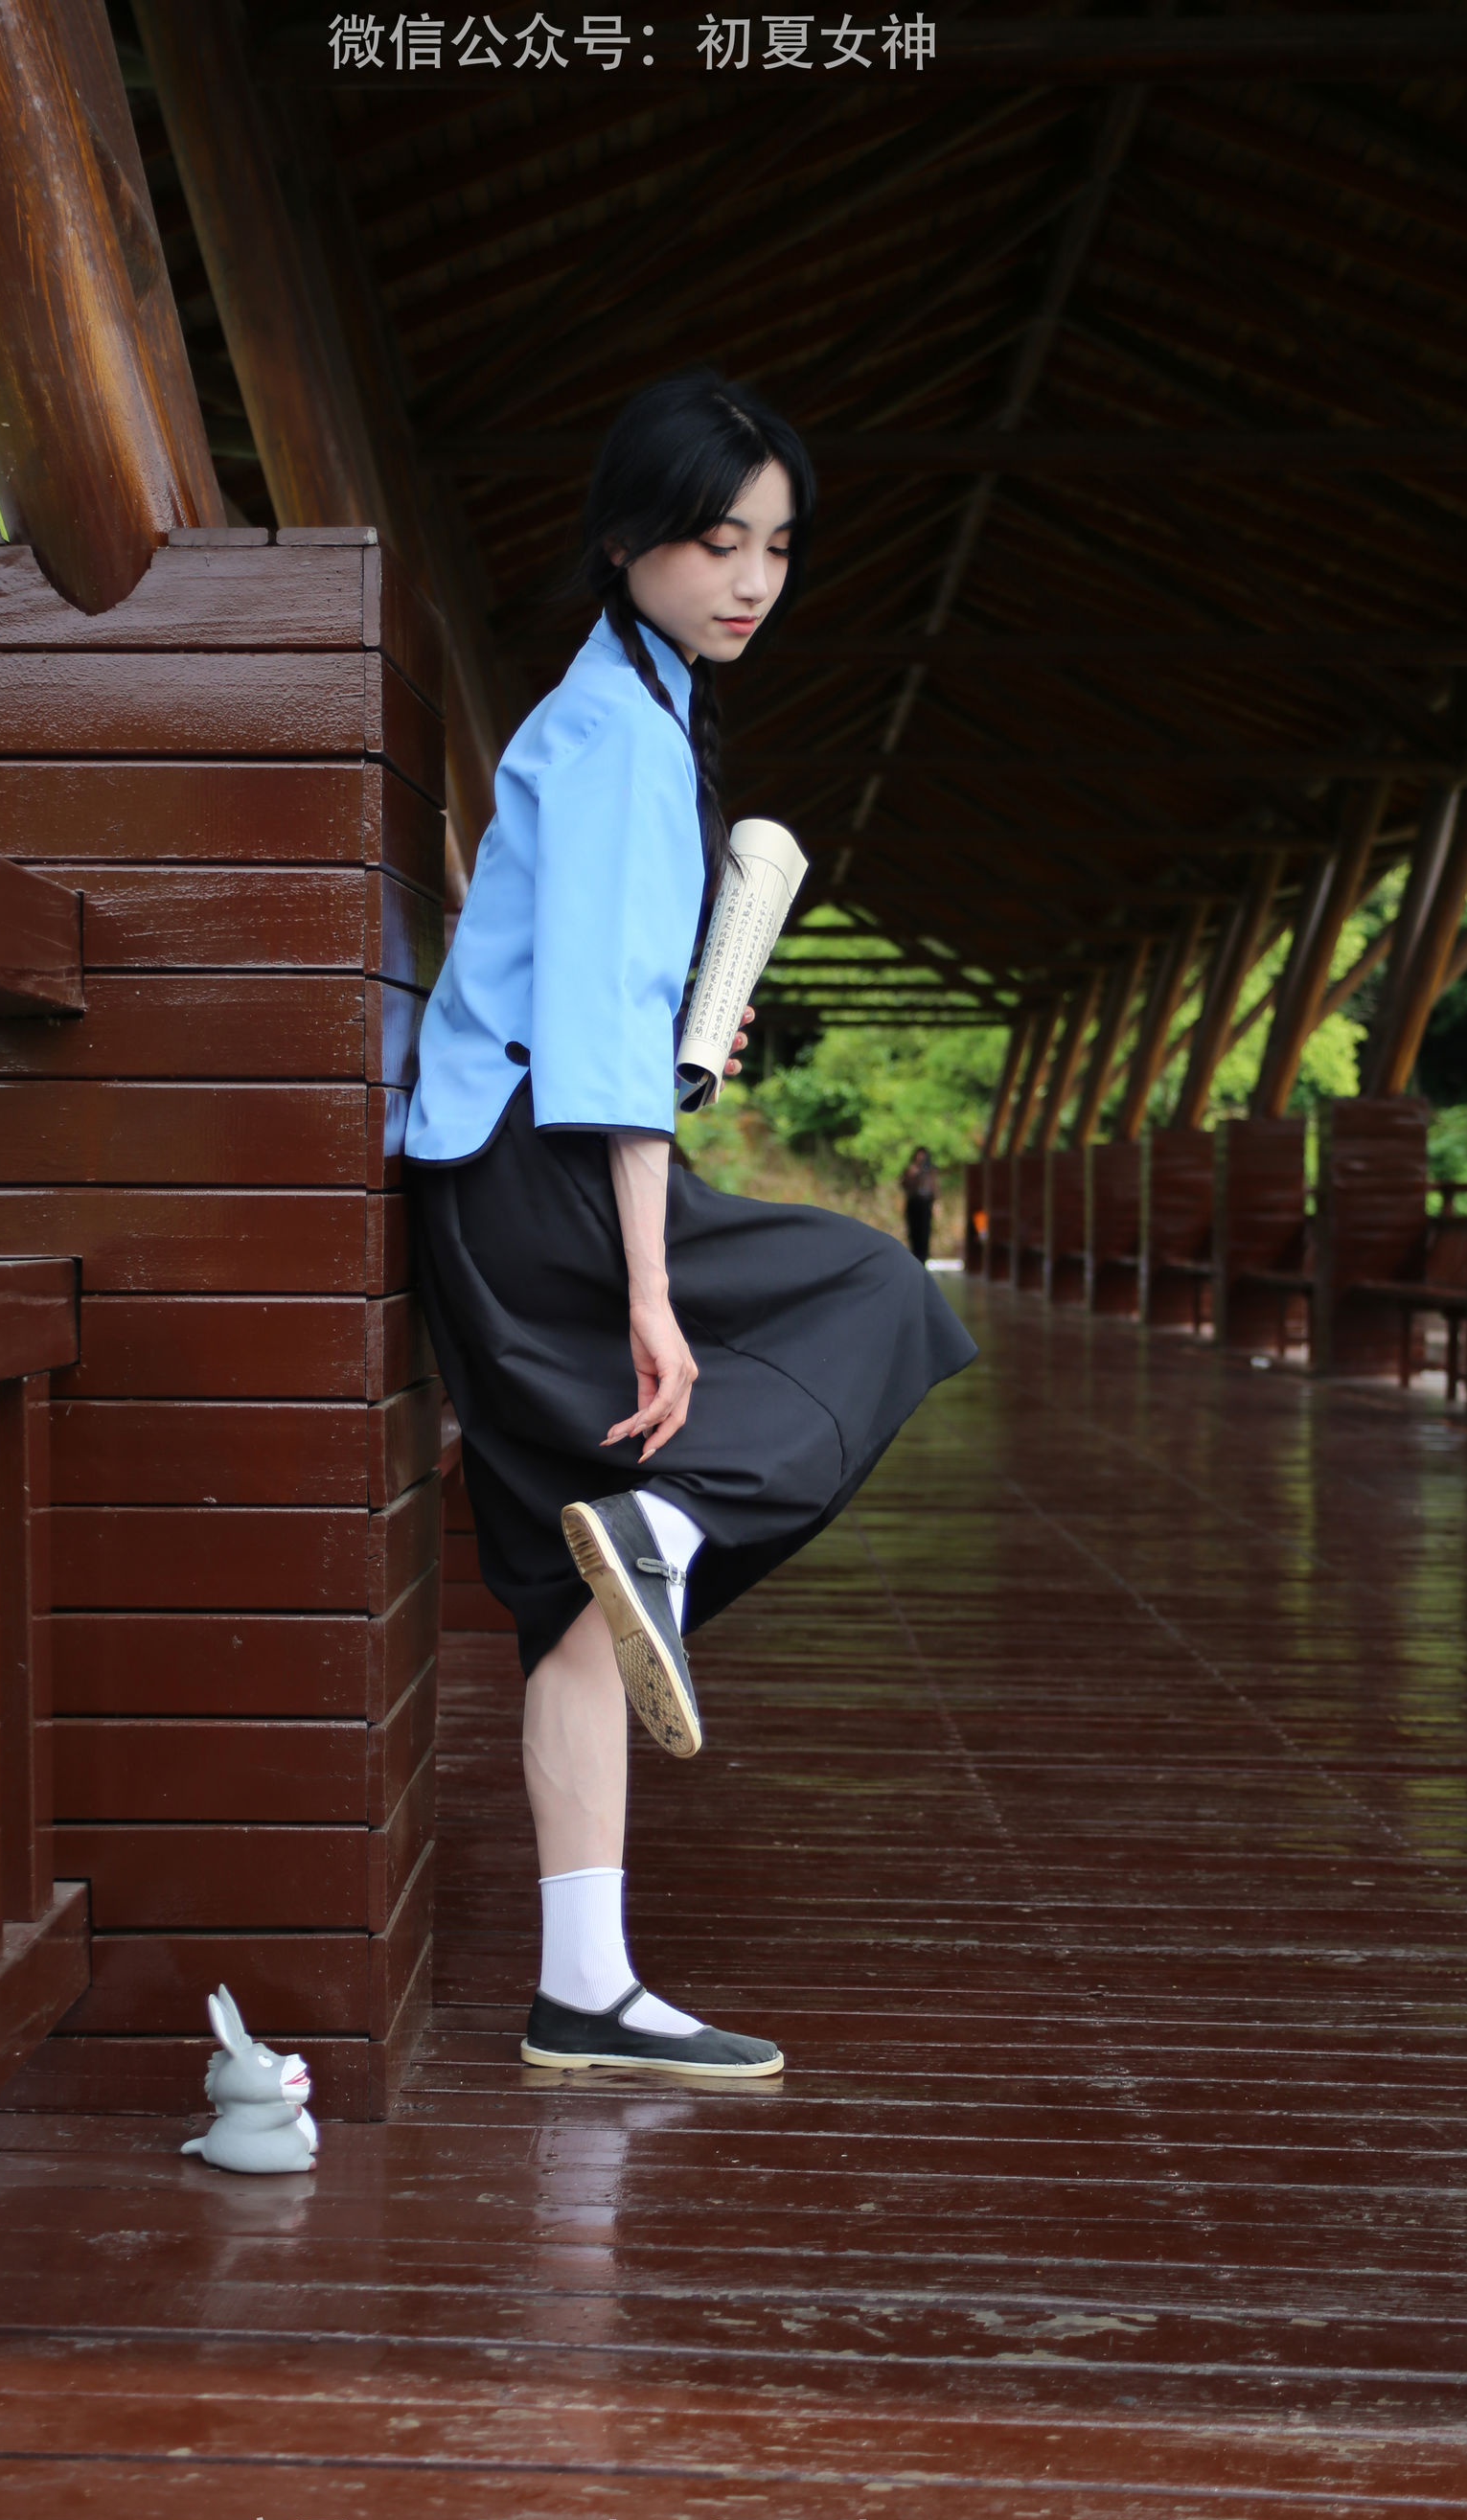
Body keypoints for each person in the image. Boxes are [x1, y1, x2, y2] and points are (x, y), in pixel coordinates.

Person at [404, 368, 976, 2080]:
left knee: (571, 1603)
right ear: (626, 537)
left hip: (498, 1174)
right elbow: (593, 1048)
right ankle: (668, 1527)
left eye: (778, 548)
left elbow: (602, 1015)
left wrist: (683, 1053)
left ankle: (584, 1987)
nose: (751, 579)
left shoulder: (627, 714)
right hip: (542, 1181)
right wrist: (653, 1288)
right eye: (719, 539)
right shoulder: (618, 737)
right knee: (875, 1287)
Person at [901, 1145, 939, 1262]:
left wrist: (936, 1203)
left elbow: (935, 1187)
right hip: (914, 1203)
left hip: (926, 1203)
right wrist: (911, 1175)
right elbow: (903, 1185)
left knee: (925, 1232)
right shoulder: (911, 1169)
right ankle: (915, 1256)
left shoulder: (930, 1170)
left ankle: (923, 1257)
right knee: (914, 1232)